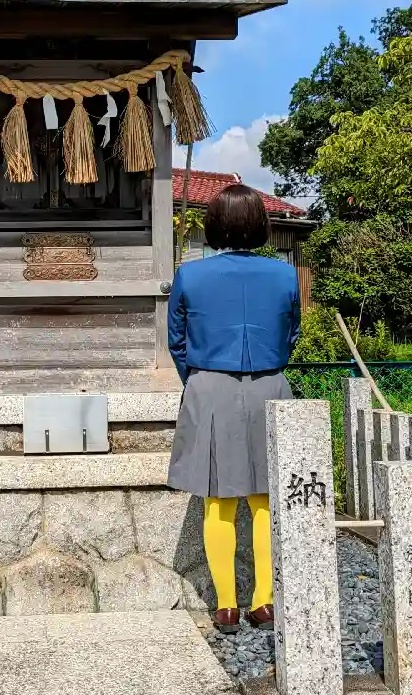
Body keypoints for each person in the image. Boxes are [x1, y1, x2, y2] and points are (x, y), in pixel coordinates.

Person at [166, 183, 301, 634]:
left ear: (214, 224)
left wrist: (199, 381)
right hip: (271, 383)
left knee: (218, 499)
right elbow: (292, 333)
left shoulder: (190, 275)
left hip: (209, 384)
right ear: (261, 224)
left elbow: (176, 341)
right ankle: (264, 601)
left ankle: (226, 605)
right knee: (266, 500)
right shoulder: (284, 275)